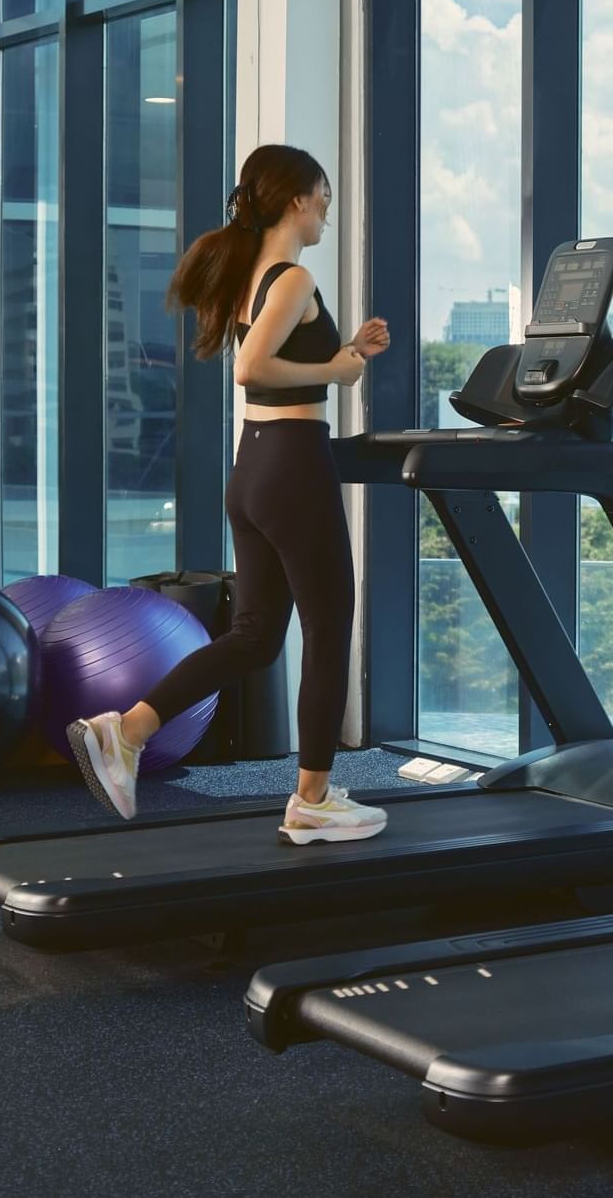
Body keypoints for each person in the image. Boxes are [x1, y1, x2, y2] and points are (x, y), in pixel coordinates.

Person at [68, 144, 392, 844]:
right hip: (295, 466)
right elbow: (251, 367)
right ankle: (313, 799)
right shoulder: (295, 277)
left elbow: (288, 364)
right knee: (330, 628)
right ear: (298, 198)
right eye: (325, 198)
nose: (327, 212)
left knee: (254, 637)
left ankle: (128, 730)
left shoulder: (254, 276)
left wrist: (351, 354)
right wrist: (341, 369)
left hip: (253, 468)